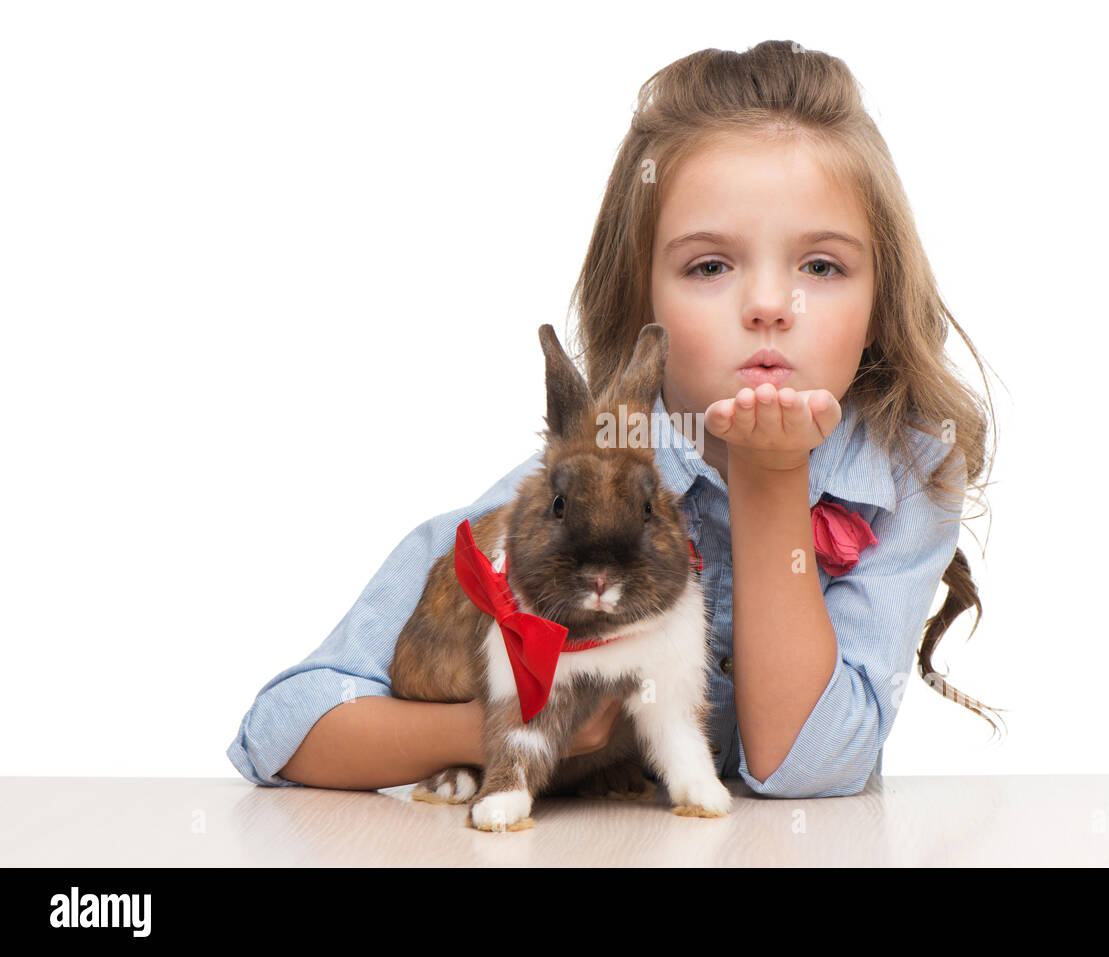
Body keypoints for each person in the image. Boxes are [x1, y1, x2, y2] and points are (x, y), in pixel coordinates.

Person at [227, 39, 1002, 800]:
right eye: (710, 265)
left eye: (821, 267)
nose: (770, 305)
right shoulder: (586, 478)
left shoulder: (913, 474)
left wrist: (771, 475)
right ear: (645, 313)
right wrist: (514, 721)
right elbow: (279, 730)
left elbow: (811, 767)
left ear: (879, 300)